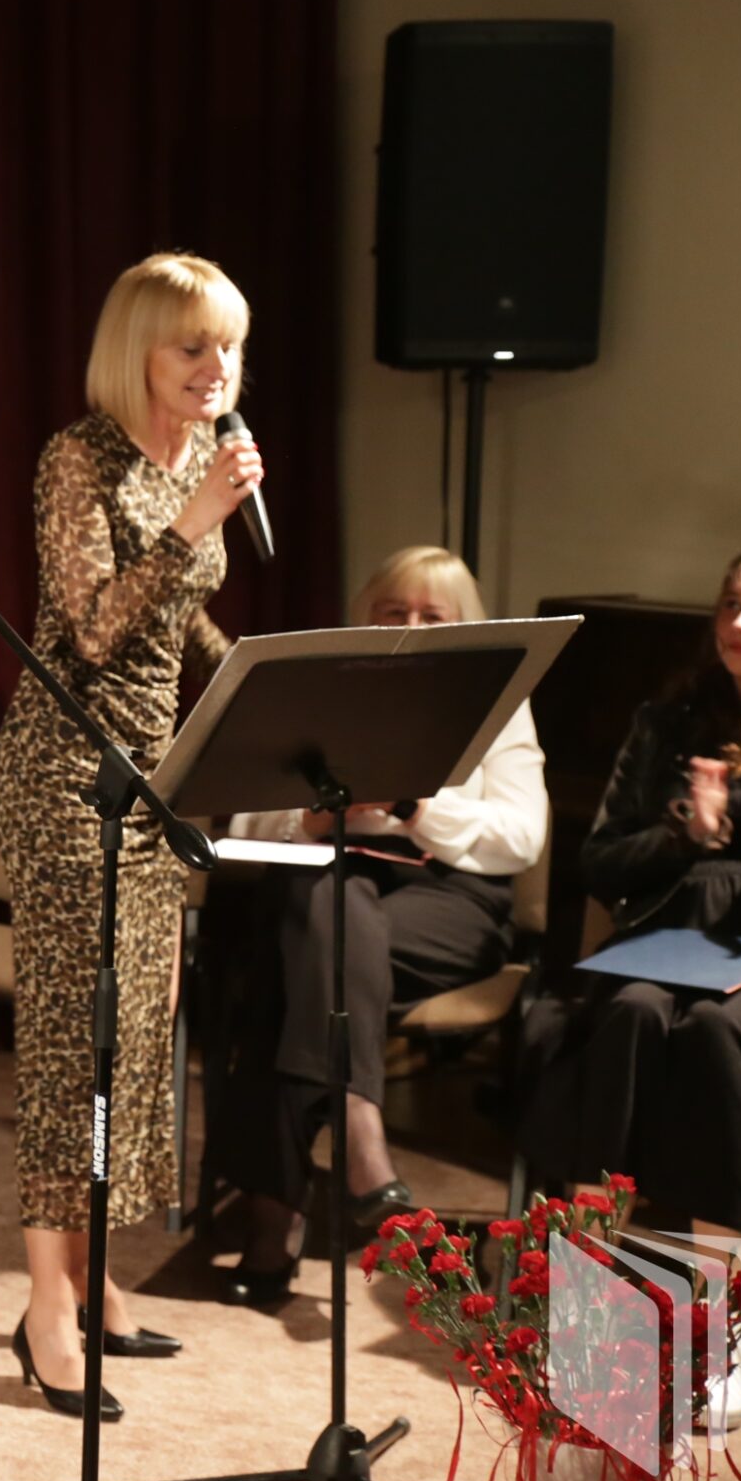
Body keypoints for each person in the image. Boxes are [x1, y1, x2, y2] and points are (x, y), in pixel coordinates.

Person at [0, 252, 262, 1422]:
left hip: (156, 785)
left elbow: (180, 621)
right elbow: (94, 629)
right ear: (136, 351)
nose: (216, 368)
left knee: (135, 1047)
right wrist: (197, 523)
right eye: (192, 345)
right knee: (71, 1050)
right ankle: (43, 1309)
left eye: (229, 345)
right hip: (65, 778)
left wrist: (258, 687)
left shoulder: (198, 456)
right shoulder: (78, 456)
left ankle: (94, 1282)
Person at [518, 538, 741, 1426]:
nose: (739, 624)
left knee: (718, 1032)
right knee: (626, 1016)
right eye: (730, 605)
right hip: (672, 933)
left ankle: (723, 1334)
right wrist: (685, 835)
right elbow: (601, 863)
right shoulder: (666, 720)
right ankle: (592, 1317)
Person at [217, 547, 548, 1307]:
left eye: (433, 615)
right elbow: (241, 816)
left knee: (298, 959)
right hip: (331, 879)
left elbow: (522, 837)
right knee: (320, 909)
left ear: (464, 624)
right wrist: (307, 818)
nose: (412, 626)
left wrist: (415, 806)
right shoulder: (325, 686)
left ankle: (275, 1217)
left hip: (449, 896)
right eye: (395, 611)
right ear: (366, 616)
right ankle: (361, 1131)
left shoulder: (498, 699)